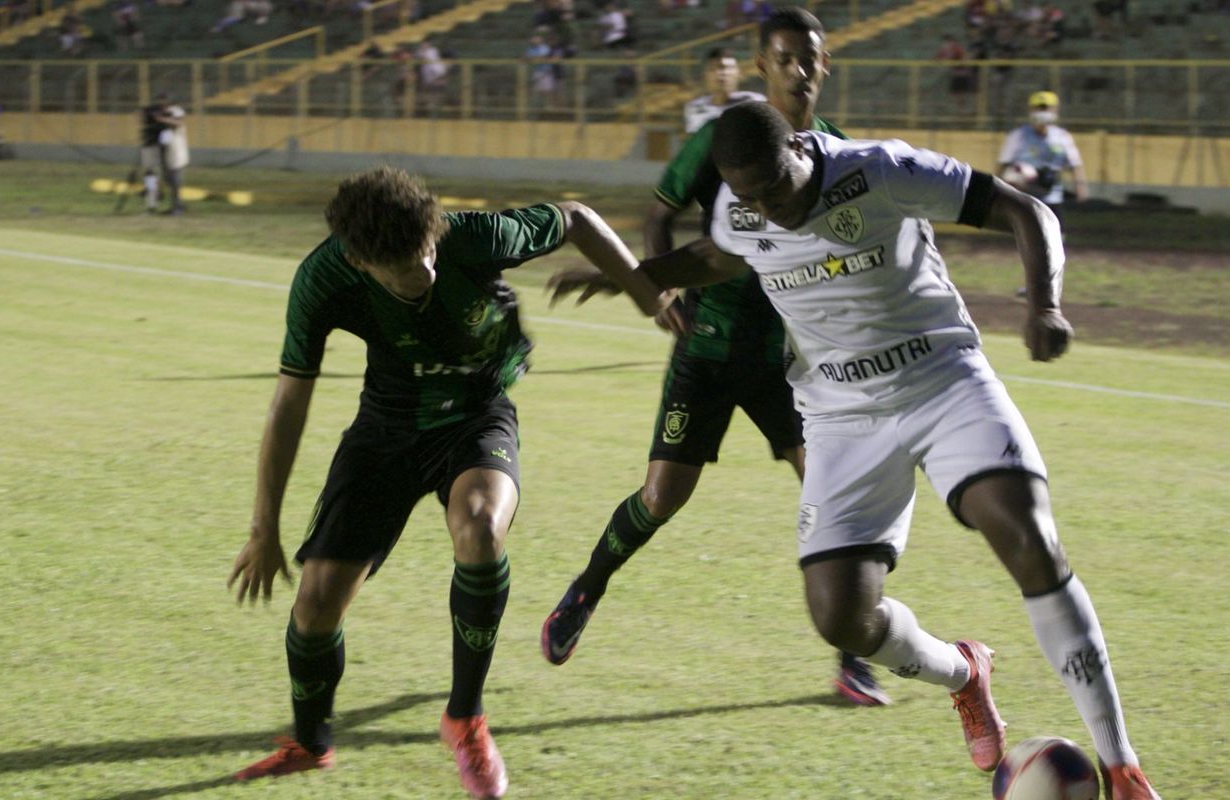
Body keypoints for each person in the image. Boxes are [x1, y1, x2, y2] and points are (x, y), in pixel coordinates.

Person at [549, 101, 1163, 800]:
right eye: (747, 198)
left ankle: (1123, 767)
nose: (767, 211)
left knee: (1026, 536)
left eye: (775, 190)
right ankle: (964, 673)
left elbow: (1029, 212)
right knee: (841, 617)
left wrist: (1044, 304)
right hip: (840, 413)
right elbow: (721, 253)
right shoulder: (745, 207)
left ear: (800, 153)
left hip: (941, 380)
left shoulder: (880, 169)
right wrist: (645, 274)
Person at [227, 167, 660, 798]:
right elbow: (289, 402)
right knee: (317, 603)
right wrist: (264, 528)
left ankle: (465, 718)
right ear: (360, 261)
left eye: (427, 250)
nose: (424, 270)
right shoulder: (324, 277)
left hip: (477, 415)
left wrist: (651, 296)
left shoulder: (476, 236)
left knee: (481, 528)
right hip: (387, 428)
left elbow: (575, 217)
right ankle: (310, 743)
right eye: (403, 266)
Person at [539, 7, 890, 708]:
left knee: (831, 495)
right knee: (661, 498)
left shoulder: (841, 154)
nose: (798, 70)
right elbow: (668, 212)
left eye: (808, 59)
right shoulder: (722, 140)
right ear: (763, 66)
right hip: (706, 350)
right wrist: (650, 282)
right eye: (784, 58)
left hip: (784, 362)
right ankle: (586, 588)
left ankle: (853, 656)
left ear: (825, 65)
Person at [997, 90, 1086, 219]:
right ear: (1031, 110)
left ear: (1055, 110)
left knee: (1056, 236)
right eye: (1039, 108)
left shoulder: (1062, 137)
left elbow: (1075, 164)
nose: (1043, 112)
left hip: (1052, 198)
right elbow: (1003, 164)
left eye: (1046, 108)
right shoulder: (1018, 136)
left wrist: (1080, 188)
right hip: (1024, 199)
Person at [682, 47, 764, 134]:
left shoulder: (755, 102)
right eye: (713, 68)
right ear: (705, 75)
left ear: (740, 73)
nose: (720, 73)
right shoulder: (695, 108)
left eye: (726, 68)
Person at [138, 92, 187, 215]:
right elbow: (143, 119)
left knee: (173, 177)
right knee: (159, 176)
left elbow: (178, 123)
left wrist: (161, 118)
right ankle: (156, 202)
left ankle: (177, 206)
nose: (162, 105)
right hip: (159, 147)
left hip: (173, 150)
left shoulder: (175, 111)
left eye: (164, 102)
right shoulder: (154, 110)